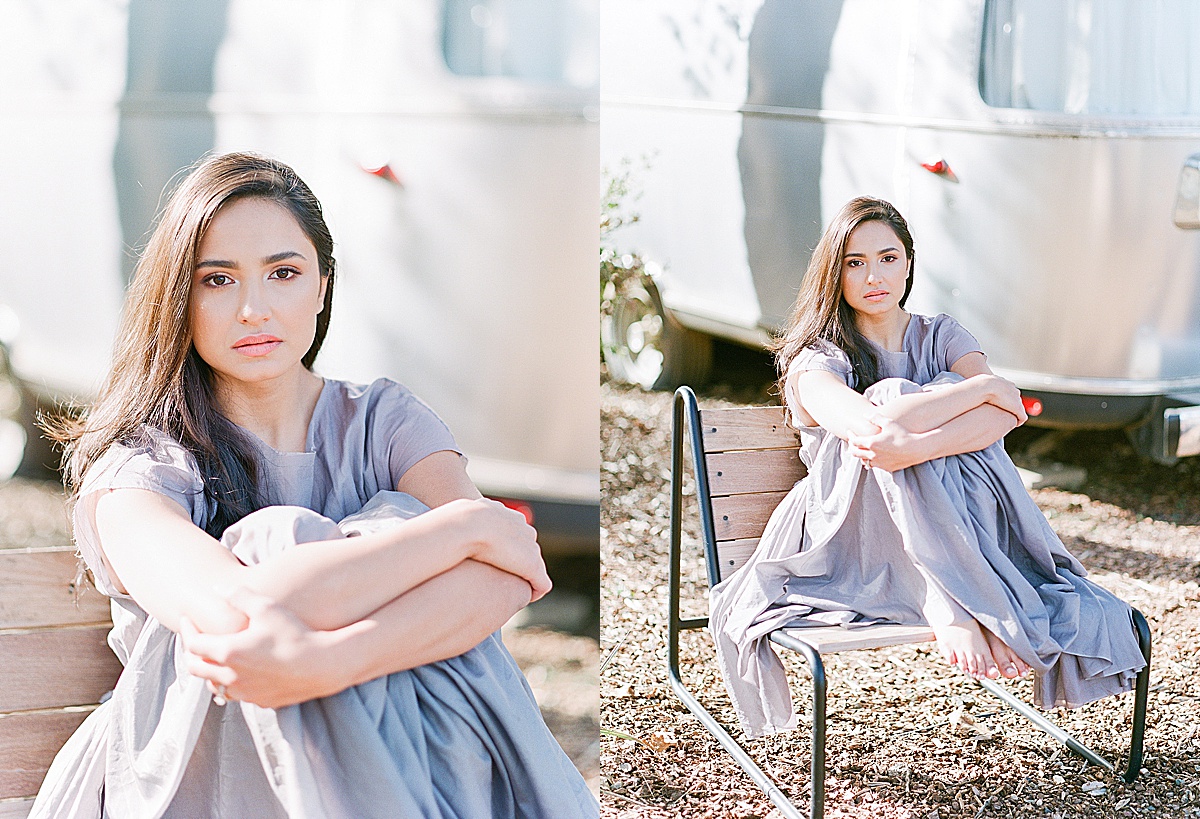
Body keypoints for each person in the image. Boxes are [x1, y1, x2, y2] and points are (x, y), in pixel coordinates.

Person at [32, 152, 599, 817]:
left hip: (406, 759)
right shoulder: (141, 467)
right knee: (278, 540)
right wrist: (457, 529)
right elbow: (235, 612)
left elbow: (504, 578)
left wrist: (324, 664)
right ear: (179, 298)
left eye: (284, 273)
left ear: (322, 287)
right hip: (204, 776)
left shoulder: (387, 422)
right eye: (217, 279)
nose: (253, 308)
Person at [708, 196, 1147, 739]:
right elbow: (869, 428)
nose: (874, 275)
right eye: (854, 261)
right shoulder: (816, 358)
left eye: (888, 258)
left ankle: (948, 592)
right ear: (835, 272)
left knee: (923, 394)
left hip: (957, 520)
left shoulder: (943, 336)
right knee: (898, 391)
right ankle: (950, 601)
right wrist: (980, 390)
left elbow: (995, 423)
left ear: (909, 264)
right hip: (846, 531)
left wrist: (920, 440)